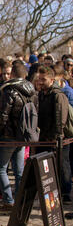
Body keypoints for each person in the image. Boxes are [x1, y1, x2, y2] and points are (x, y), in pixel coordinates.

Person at [0, 63, 37, 214]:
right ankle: (19, 200)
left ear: (12, 75)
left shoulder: (10, 91)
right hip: (23, 135)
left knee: (0, 169)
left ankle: (9, 202)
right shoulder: (31, 91)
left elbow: (2, 115)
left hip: (9, 135)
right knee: (19, 170)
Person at [35, 66, 71, 205]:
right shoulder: (42, 94)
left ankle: (66, 193)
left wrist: (57, 136)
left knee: (62, 166)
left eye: (43, 79)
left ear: (51, 79)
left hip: (57, 138)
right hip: (44, 136)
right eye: (39, 79)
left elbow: (60, 117)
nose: (40, 82)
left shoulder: (58, 95)